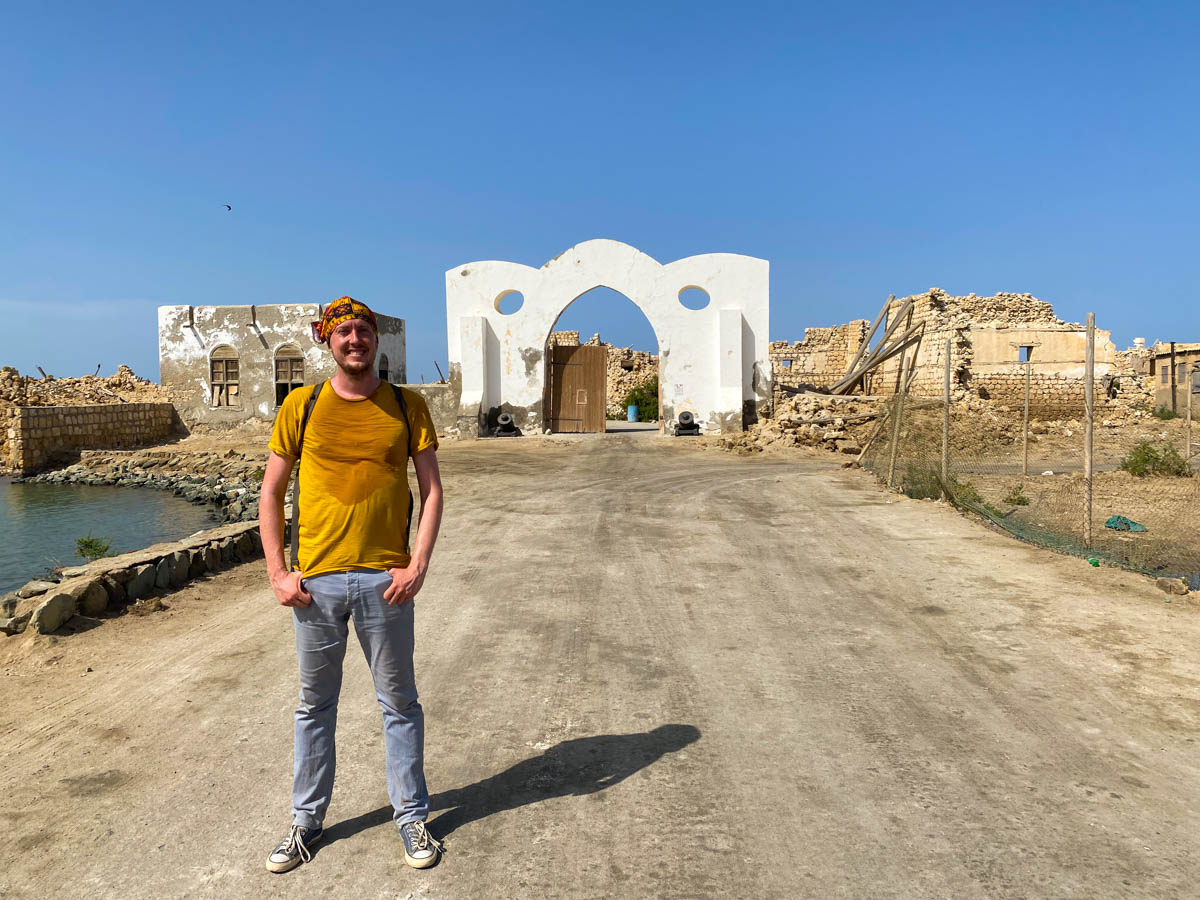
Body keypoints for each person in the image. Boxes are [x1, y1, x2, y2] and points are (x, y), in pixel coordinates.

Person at [258, 297, 444, 873]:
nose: (355, 340)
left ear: (376, 340)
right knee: (315, 707)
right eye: (344, 332)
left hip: (384, 581)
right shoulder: (301, 404)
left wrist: (417, 564)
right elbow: (270, 493)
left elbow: (432, 490)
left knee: (400, 704)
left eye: (364, 330)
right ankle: (305, 822)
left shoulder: (406, 405)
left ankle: (412, 817)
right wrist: (278, 575)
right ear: (327, 341)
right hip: (316, 584)